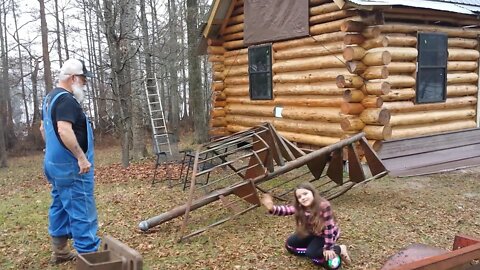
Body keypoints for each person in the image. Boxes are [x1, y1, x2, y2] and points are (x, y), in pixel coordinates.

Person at [40, 59, 100, 264]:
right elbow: (63, 130)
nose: (84, 84)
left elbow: (43, 130)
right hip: (71, 167)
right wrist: (81, 158)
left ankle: (61, 252)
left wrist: (54, 153)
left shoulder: (49, 98)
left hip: (54, 165)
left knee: (59, 205)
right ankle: (90, 259)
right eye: (83, 80)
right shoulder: (66, 100)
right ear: (73, 78)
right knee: (82, 209)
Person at [260, 182, 351, 269]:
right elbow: (286, 210)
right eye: (299, 197)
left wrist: (328, 248)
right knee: (290, 245)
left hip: (325, 235)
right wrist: (272, 208)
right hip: (312, 232)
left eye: (305, 193)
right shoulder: (301, 207)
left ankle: (339, 249)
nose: (303, 197)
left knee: (312, 254)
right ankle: (315, 249)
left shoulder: (324, 206)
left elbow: (329, 228)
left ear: (312, 193)